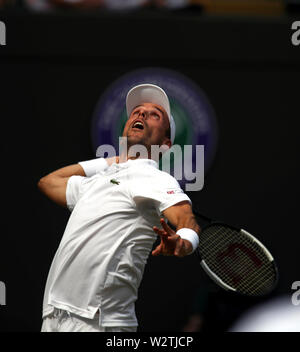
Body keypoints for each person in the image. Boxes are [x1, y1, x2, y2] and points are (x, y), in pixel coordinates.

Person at [38, 83, 200, 332]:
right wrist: (113, 160)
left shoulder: (155, 179)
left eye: (154, 114)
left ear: (166, 143)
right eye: (137, 111)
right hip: (54, 317)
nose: (141, 114)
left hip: (99, 322)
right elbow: (49, 182)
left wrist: (182, 242)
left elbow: (187, 221)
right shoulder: (98, 180)